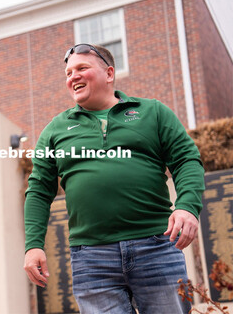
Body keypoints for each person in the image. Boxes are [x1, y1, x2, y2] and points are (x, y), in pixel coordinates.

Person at [23, 43, 205, 314]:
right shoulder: (55, 130)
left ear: (109, 73)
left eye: (82, 68)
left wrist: (187, 207)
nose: (73, 76)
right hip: (91, 258)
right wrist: (33, 245)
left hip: (157, 247)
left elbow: (186, 160)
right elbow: (38, 189)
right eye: (68, 72)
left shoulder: (153, 112)